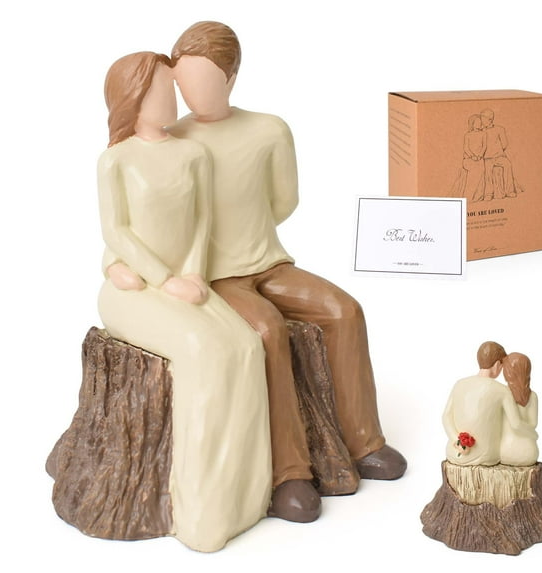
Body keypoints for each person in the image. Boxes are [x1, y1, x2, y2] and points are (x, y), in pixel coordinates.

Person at [163, 21, 407, 522]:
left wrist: (251, 238)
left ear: (231, 78)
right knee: (268, 331)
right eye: (184, 83)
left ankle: (364, 442)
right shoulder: (175, 139)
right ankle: (288, 473)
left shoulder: (269, 130)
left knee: (344, 310)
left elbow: (284, 201)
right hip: (214, 275)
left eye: (204, 81)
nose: (192, 93)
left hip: (270, 262)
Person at [97, 51, 272, 552]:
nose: (170, 98)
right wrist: (163, 279)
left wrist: (193, 273)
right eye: (158, 90)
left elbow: (200, 222)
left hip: (187, 282)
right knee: (205, 353)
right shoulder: (117, 160)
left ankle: (246, 496)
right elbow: (117, 231)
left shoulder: (193, 154)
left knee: (245, 347)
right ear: (133, 98)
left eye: (170, 87)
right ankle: (201, 510)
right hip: (137, 290)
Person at [442, 341, 537, 466]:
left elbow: (446, 417)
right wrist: (534, 434)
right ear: (497, 365)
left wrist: (457, 440)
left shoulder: (459, 384)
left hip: (454, 453)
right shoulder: (502, 390)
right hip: (485, 457)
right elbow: (515, 423)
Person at [500, 352, 539, 466]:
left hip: (507, 451)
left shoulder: (503, 393)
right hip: (530, 452)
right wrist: (534, 435)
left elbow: (515, 424)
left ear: (508, 373)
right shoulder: (533, 396)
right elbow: (533, 424)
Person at [481, 109, 517, 200]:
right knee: (488, 173)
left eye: (483, 118)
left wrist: (497, 151)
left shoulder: (500, 129)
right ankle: (488, 194)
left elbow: (504, 144)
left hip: (499, 156)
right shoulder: (481, 131)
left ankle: (509, 191)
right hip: (487, 158)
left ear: (490, 119)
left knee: (508, 165)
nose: (481, 120)